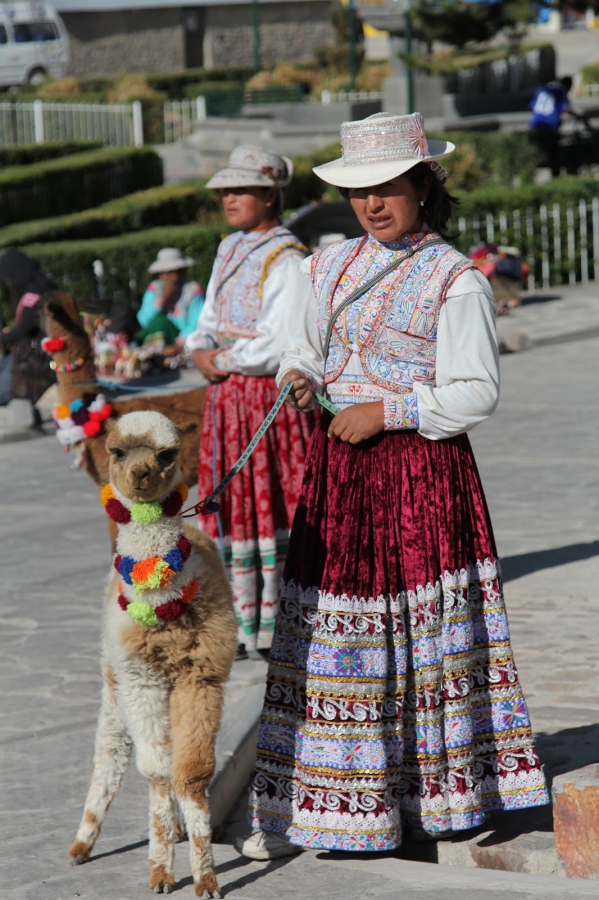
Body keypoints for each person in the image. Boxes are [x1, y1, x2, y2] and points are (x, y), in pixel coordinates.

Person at [238, 112, 549, 860]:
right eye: (360, 192)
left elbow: (474, 392)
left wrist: (391, 411)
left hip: (419, 475)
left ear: (421, 188)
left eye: (388, 189)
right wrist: (300, 377)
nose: (373, 204)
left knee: (425, 633)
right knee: (332, 637)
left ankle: (447, 797)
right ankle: (331, 804)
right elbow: (303, 348)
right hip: (340, 475)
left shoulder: (455, 279)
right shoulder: (327, 267)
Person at [186, 146, 315, 657]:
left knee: (267, 501)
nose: (229, 199)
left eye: (240, 190)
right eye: (225, 191)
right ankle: (230, 616)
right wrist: (200, 350)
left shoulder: (288, 258)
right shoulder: (229, 248)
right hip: (226, 399)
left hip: (263, 401)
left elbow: (278, 340)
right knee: (230, 501)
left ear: (269, 194)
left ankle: (271, 618)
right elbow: (208, 316)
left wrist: (225, 359)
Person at [0, 249, 56, 406]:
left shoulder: (33, 294)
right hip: (29, 354)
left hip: (30, 361)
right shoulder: (42, 287)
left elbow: (23, 330)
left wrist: (4, 336)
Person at [137, 247, 205, 346]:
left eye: (171, 271)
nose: (166, 276)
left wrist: (182, 339)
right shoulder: (154, 289)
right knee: (161, 322)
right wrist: (163, 297)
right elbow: (144, 320)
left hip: (184, 340)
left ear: (182, 271)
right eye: (163, 272)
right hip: (156, 341)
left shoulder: (193, 290)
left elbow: (197, 320)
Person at [529, 76, 577, 178]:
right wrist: (577, 115)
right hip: (550, 126)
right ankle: (555, 177)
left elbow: (533, 105)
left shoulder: (543, 88)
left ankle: (530, 175)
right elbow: (565, 108)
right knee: (554, 155)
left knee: (536, 153)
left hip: (536, 125)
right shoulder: (560, 91)